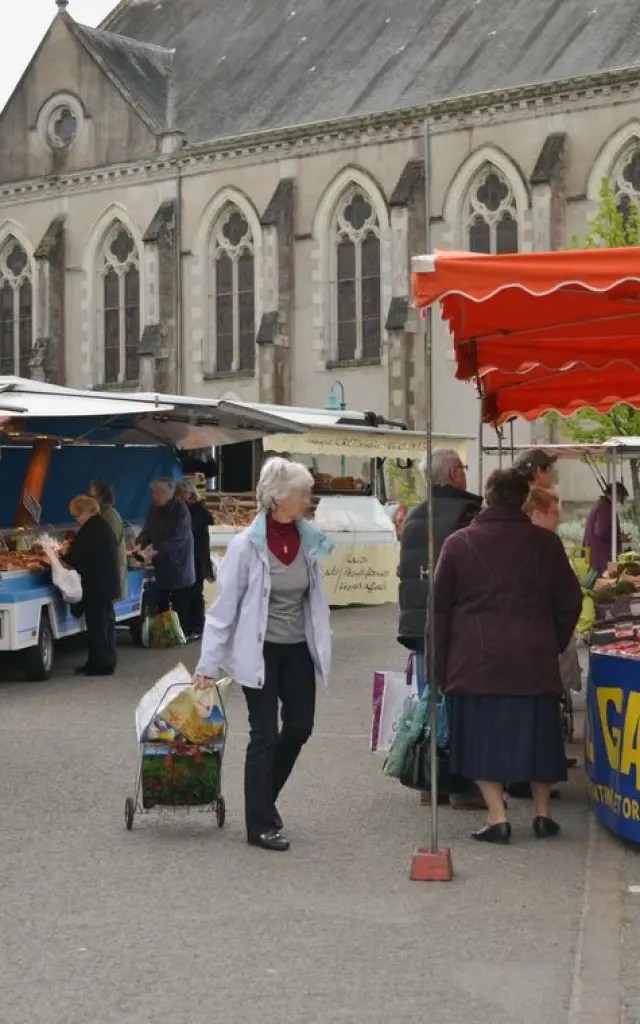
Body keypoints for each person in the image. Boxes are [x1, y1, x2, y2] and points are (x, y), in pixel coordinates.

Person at [433, 469, 582, 845]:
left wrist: (438, 665)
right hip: (534, 659)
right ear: (522, 499)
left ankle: (498, 817)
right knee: (538, 738)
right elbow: (570, 600)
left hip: (476, 661)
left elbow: (439, 610)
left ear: (487, 496)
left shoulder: (458, 543)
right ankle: (542, 813)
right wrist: (553, 639)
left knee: (482, 739)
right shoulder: (546, 544)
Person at [194, 457, 332, 852]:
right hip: (259, 651)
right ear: (281, 498)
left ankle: (263, 799)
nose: (310, 500)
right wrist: (208, 665)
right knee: (265, 734)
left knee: (300, 727)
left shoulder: (309, 540)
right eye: (304, 493)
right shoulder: (246, 545)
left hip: (296, 649)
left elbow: (314, 602)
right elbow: (224, 609)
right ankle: (259, 824)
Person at [397, 447, 483, 810]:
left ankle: (430, 782)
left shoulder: (415, 515)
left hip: (418, 623)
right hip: (457, 622)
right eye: (462, 467)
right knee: (462, 704)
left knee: (431, 702)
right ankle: (463, 785)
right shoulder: (469, 514)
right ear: (454, 474)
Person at [64, 495, 120, 676]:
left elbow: (77, 556)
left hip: (96, 585)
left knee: (97, 626)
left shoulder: (91, 530)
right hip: (106, 584)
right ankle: (104, 660)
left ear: (86, 512)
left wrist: (61, 560)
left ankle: (99, 664)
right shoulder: (102, 527)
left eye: (77, 515)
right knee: (106, 625)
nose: (77, 519)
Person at [136, 478, 195, 636]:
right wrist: (139, 544)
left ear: (170, 493)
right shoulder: (154, 509)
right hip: (161, 563)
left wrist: (158, 550)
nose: (156, 496)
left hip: (179, 562)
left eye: (160, 492)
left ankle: (180, 634)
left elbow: (179, 537)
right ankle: (164, 634)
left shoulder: (180, 509)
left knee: (179, 603)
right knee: (161, 601)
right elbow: (147, 530)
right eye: (154, 492)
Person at [176, 479, 214, 640]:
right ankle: (188, 625)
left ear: (189, 494)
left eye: (181, 494)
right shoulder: (186, 510)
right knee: (188, 593)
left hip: (197, 558)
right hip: (188, 557)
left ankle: (197, 626)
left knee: (195, 592)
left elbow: (188, 529)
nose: (178, 497)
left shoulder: (198, 511)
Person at [89, 480, 127, 601]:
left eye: (91, 496)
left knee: (105, 616)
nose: (88, 500)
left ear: (100, 498)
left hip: (109, 581)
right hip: (107, 581)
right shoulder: (103, 515)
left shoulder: (108, 517)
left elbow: (105, 547)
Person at [583, 482, 629, 574]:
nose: (619, 501)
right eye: (620, 498)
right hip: (602, 557)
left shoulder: (600, 504)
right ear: (617, 494)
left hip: (597, 555)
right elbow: (601, 532)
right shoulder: (605, 507)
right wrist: (619, 538)